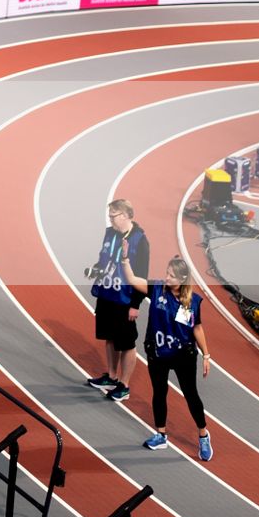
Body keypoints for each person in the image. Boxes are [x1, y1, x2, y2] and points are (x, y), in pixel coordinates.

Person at [121, 246, 213, 461]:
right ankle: (161, 434)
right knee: (159, 393)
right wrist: (125, 258)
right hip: (158, 352)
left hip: (183, 355)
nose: (166, 277)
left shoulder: (192, 302)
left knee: (191, 396)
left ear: (182, 279)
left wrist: (206, 355)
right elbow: (134, 280)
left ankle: (203, 435)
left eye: (171, 275)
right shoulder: (157, 289)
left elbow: (197, 328)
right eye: (166, 273)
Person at [85, 197, 149, 402]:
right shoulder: (110, 233)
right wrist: (95, 268)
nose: (110, 220)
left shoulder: (139, 240)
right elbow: (104, 257)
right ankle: (111, 376)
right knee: (109, 337)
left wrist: (135, 304)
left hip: (124, 299)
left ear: (125, 215)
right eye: (110, 215)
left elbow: (142, 276)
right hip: (106, 294)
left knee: (127, 343)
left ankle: (124, 385)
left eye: (113, 216)